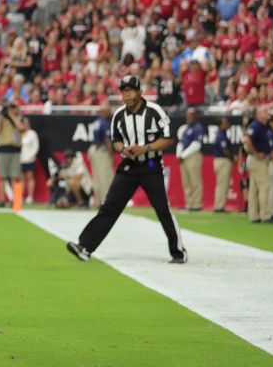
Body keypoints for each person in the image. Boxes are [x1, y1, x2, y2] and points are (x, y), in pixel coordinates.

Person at [67, 75, 187, 264]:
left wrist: (145, 148)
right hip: (129, 166)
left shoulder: (154, 111)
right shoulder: (119, 115)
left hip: (151, 165)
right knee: (109, 207)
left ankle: (178, 251)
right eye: (124, 91)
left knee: (162, 209)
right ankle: (84, 247)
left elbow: (168, 139)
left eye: (130, 90)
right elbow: (116, 141)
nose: (127, 94)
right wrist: (124, 149)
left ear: (140, 92)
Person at [243, 106, 273, 223]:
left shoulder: (263, 126)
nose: (267, 113)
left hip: (257, 159)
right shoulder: (255, 126)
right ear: (259, 115)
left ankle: (253, 215)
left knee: (254, 189)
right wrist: (255, 153)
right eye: (265, 111)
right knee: (264, 186)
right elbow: (247, 140)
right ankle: (265, 215)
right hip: (257, 160)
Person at [0, 103, 22, 208]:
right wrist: (1, 116)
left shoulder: (18, 118)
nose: (11, 111)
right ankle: (1, 200)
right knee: (2, 177)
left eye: (13, 109)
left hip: (15, 149)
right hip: (3, 149)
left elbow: (21, 127)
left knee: (16, 177)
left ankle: (17, 200)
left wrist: (12, 115)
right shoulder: (1, 119)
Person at [176, 108, 206, 211]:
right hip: (184, 157)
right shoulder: (185, 128)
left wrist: (182, 155)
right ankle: (189, 203)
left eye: (191, 115)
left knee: (195, 181)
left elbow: (196, 145)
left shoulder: (198, 128)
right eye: (187, 115)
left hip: (193, 156)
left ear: (195, 116)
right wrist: (179, 154)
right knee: (186, 182)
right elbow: (181, 142)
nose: (188, 117)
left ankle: (197, 204)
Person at [87, 106, 115, 206]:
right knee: (105, 176)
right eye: (108, 110)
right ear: (104, 112)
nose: (110, 112)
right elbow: (107, 141)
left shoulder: (97, 122)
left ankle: (98, 201)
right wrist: (111, 155)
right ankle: (106, 201)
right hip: (101, 151)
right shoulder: (104, 123)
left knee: (97, 177)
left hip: (94, 149)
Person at [207, 115, 234, 212]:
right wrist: (232, 159)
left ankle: (219, 205)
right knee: (222, 185)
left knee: (221, 184)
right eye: (226, 123)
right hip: (222, 161)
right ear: (222, 124)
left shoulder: (222, 134)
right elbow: (224, 150)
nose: (228, 124)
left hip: (220, 161)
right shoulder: (221, 135)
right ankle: (219, 206)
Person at [18, 118, 40, 205]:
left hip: (29, 159)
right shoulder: (18, 133)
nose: (25, 125)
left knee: (30, 178)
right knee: (21, 179)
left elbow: (36, 146)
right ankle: (20, 197)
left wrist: (31, 156)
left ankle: (30, 197)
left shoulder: (32, 133)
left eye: (26, 123)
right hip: (20, 159)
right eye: (23, 123)